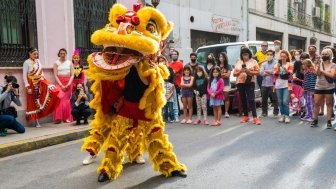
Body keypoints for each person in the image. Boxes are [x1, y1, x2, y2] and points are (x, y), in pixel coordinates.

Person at [23, 47, 60, 127]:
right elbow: (24, 75)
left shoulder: (38, 61)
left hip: (40, 82)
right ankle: (36, 121)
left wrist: (45, 81)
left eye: (37, 54)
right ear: (30, 53)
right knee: (34, 101)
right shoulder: (26, 62)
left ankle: (47, 111)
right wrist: (27, 87)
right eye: (34, 54)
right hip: (32, 83)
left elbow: (41, 72)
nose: (36, 55)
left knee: (52, 91)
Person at [233, 47, 261, 125]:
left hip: (250, 81)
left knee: (251, 99)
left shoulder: (253, 61)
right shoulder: (239, 62)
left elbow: (258, 72)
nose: (244, 56)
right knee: (243, 99)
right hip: (240, 82)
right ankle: (246, 116)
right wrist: (240, 72)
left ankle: (255, 117)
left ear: (249, 54)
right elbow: (234, 74)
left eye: (246, 54)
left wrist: (249, 71)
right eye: (243, 55)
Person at [311, 48, 336, 128]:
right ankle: (315, 120)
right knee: (316, 103)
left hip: (329, 87)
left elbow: (332, 75)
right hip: (318, 86)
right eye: (323, 54)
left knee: (329, 104)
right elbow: (317, 74)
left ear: (330, 55)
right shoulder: (319, 64)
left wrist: (322, 71)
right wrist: (318, 67)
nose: (324, 56)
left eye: (326, 54)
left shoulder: (333, 65)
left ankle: (328, 121)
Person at [53, 48, 75, 124]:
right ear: (59, 54)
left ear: (66, 54)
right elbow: (55, 75)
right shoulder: (56, 63)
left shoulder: (70, 63)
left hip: (68, 82)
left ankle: (67, 118)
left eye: (64, 53)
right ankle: (58, 118)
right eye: (61, 53)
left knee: (66, 100)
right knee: (60, 98)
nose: (62, 55)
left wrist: (69, 83)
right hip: (59, 82)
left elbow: (72, 75)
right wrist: (61, 85)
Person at [274, 50, 294, 123]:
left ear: (287, 57)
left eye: (284, 56)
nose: (282, 58)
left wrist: (285, 68)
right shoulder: (276, 65)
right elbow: (275, 75)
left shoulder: (290, 64)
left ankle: (287, 115)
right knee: (280, 101)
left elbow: (290, 75)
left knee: (285, 101)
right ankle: (282, 115)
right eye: (281, 56)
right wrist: (279, 68)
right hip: (278, 84)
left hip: (287, 84)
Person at [260, 50, 279, 117]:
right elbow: (261, 73)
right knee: (264, 99)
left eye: (270, 54)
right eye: (268, 54)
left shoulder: (276, 63)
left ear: (273, 55)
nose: (269, 56)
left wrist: (269, 72)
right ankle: (264, 112)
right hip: (264, 83)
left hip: (273, 84)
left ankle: (276, 112)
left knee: (275, 99)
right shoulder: (264, 64)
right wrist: (271, 72)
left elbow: (276, 72)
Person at [169, 49, 183, 121]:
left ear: (177, 55)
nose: (174, 55)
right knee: (172, 99)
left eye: (175, 54)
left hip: (177, 83)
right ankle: (174, 114)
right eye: (173, 54)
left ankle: (177, 114)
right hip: (171, 83)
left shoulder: (180, 63)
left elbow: (173, 72)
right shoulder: (170, 64)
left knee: (176, 99)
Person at [218, 52, 232, 118]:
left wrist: (221, 75)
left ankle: (226, 112)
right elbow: (215, 75)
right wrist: (223, 75)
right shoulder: (217, 65)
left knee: (226, 97)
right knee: (219, 98)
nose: (221, 58)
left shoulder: (228, 66)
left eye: (222, 57)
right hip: (218, 84)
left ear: (225, 58)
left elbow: (228, 75)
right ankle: (219, 110)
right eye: (220, 57)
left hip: (226, 84)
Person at [292, 50, 304, 116]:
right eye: (295, 54)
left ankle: (303, 109)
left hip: (303, 81)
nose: (297, 56)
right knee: (296, 97)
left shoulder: (304, 62)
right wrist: (293, 76)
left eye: (298, 54)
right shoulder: (296, 62)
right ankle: (297, 110)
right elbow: (293, 71)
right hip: (296, 81)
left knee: (302, 96)